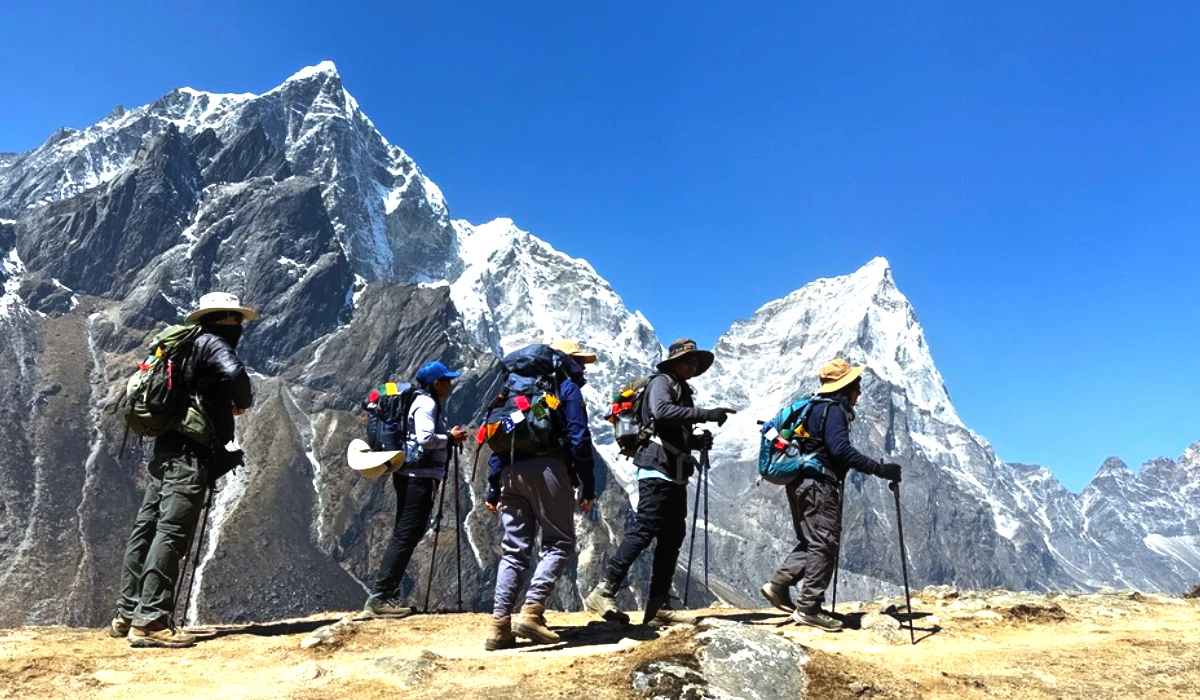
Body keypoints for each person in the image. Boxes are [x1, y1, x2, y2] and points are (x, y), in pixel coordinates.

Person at [112, 292, 255, 648]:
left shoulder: (182, 344)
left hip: (166, 448)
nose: (239, 326)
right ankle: (151, 621)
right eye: (235, 319)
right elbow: (236, 374)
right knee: (173, 532)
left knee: (147, 528)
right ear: (222, 319)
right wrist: (243, 402)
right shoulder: (212, 344)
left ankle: (127, 612)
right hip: (191, 454)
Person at [584, 339, 736, 626]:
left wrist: (695, 440)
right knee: (645, 529)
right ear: (675, 362)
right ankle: (604, 589)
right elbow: (661, 413)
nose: (693, 366)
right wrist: (707, 414)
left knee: (672, 536)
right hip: (656, 468)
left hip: (673, 469)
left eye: (696, 363)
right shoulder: (662, 383)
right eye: (689, 361)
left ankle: (658, 606)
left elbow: (670, 431)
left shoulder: (680, 388)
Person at [760, 358, 902, 632]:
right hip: (819, 485)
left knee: (811, 540)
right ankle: (809, 607)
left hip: (801, 482)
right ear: (845, 387)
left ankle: (779, 585)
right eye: (856, 387)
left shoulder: (813, 408)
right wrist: (880, 469)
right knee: (824, 543)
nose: (858, 393)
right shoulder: (834, 410)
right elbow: (840, 451)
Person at [484, 340, 599, 651]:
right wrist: (587, 485)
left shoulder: (513, 390)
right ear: (568, 361)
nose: (584, 368)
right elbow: (578, 436)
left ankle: (498, 627)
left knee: (513, 550)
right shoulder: (565, 386)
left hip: (509, 472)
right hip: (548, 469)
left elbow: (501, 437)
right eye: (581, 362)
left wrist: (493, 485)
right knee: (559, 541)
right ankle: (532, 612)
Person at [363, 361, 468, 618]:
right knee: (406, 534)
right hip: (418, 478)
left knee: (406, 533)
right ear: (436, 383)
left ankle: (384, 594)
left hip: (410, 475)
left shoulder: (419, 401)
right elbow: (425, 438)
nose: (450, 385)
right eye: (447, 380)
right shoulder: (427, 404)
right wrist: (450, 438)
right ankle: (379, 598)